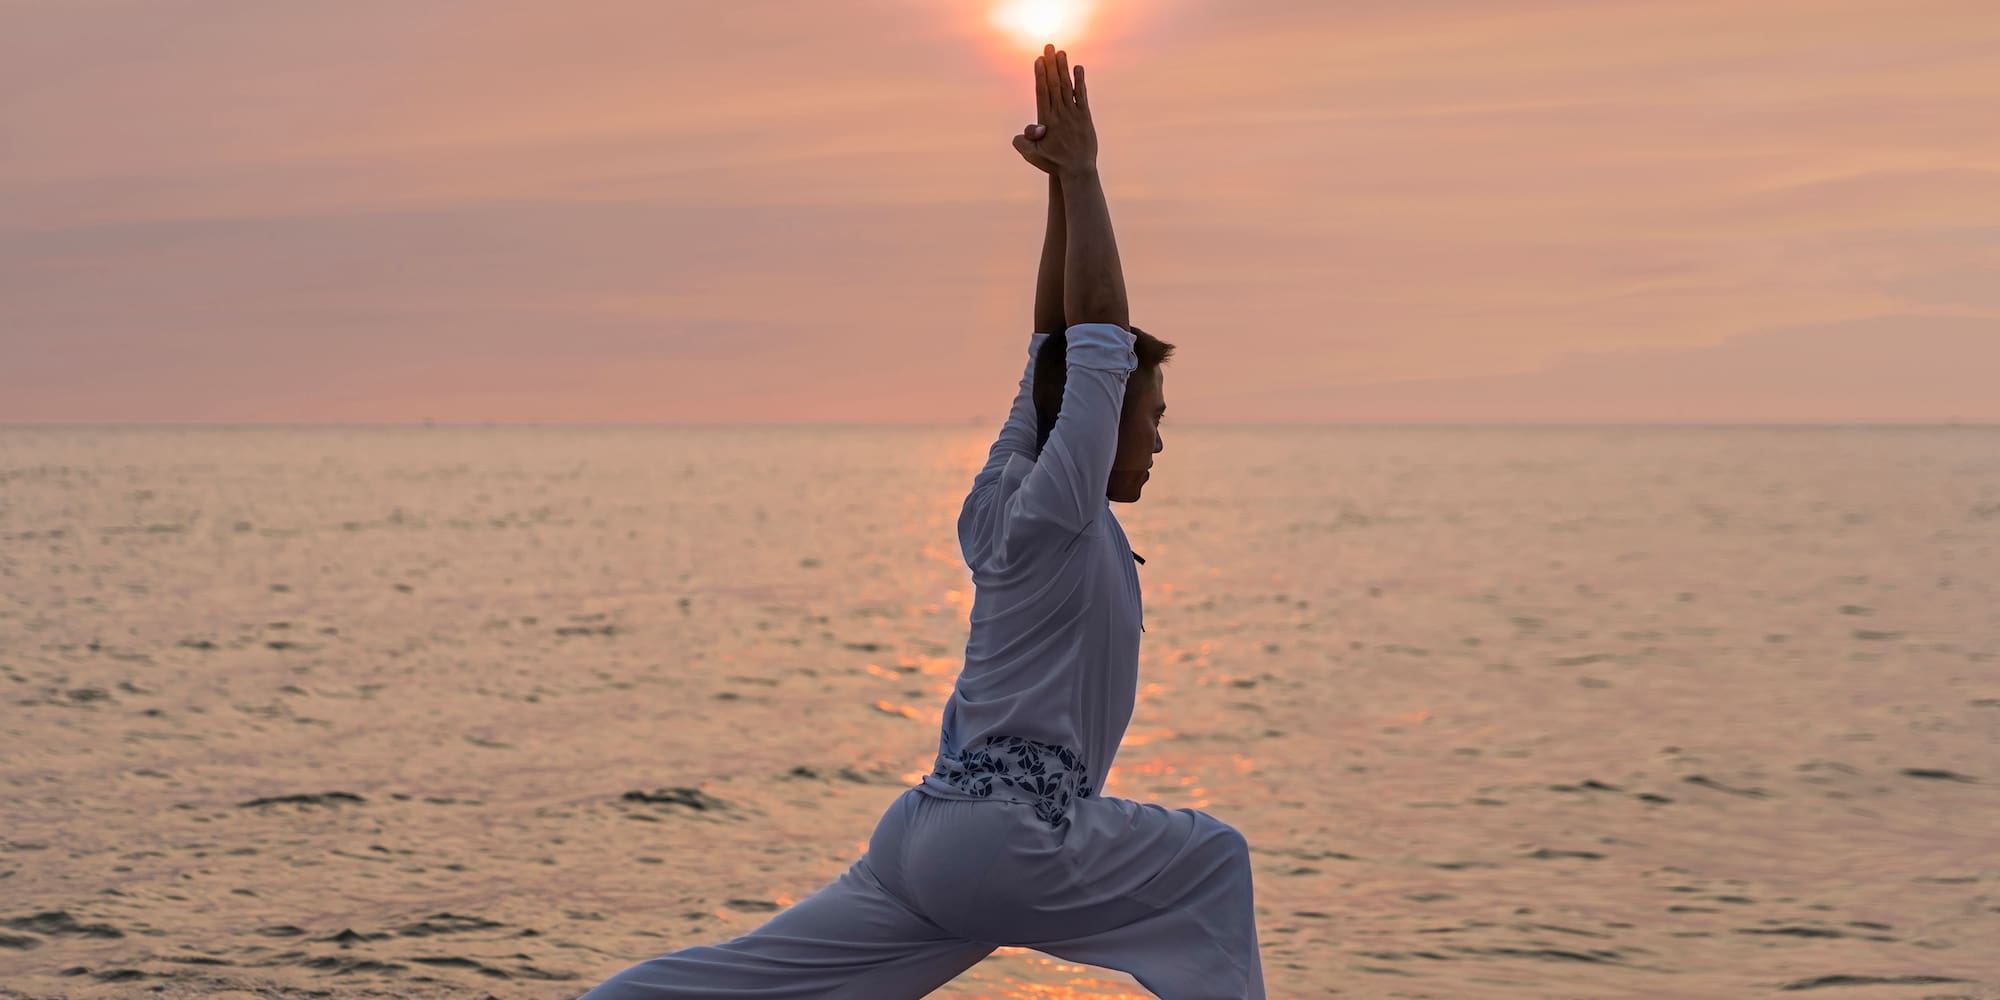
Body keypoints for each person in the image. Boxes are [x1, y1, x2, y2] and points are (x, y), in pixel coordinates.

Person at [576, 45, 1265, 999]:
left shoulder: (1002, 495)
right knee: (1213, 861)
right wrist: (1085, 172)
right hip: (1013, 840)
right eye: (1149, 421)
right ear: (1099, 424)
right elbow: (1095, 344)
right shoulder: (1060, 507)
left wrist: (1060, 197)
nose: (1154, 442)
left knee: (742, 984)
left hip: (928, 839)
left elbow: (1050, 353)